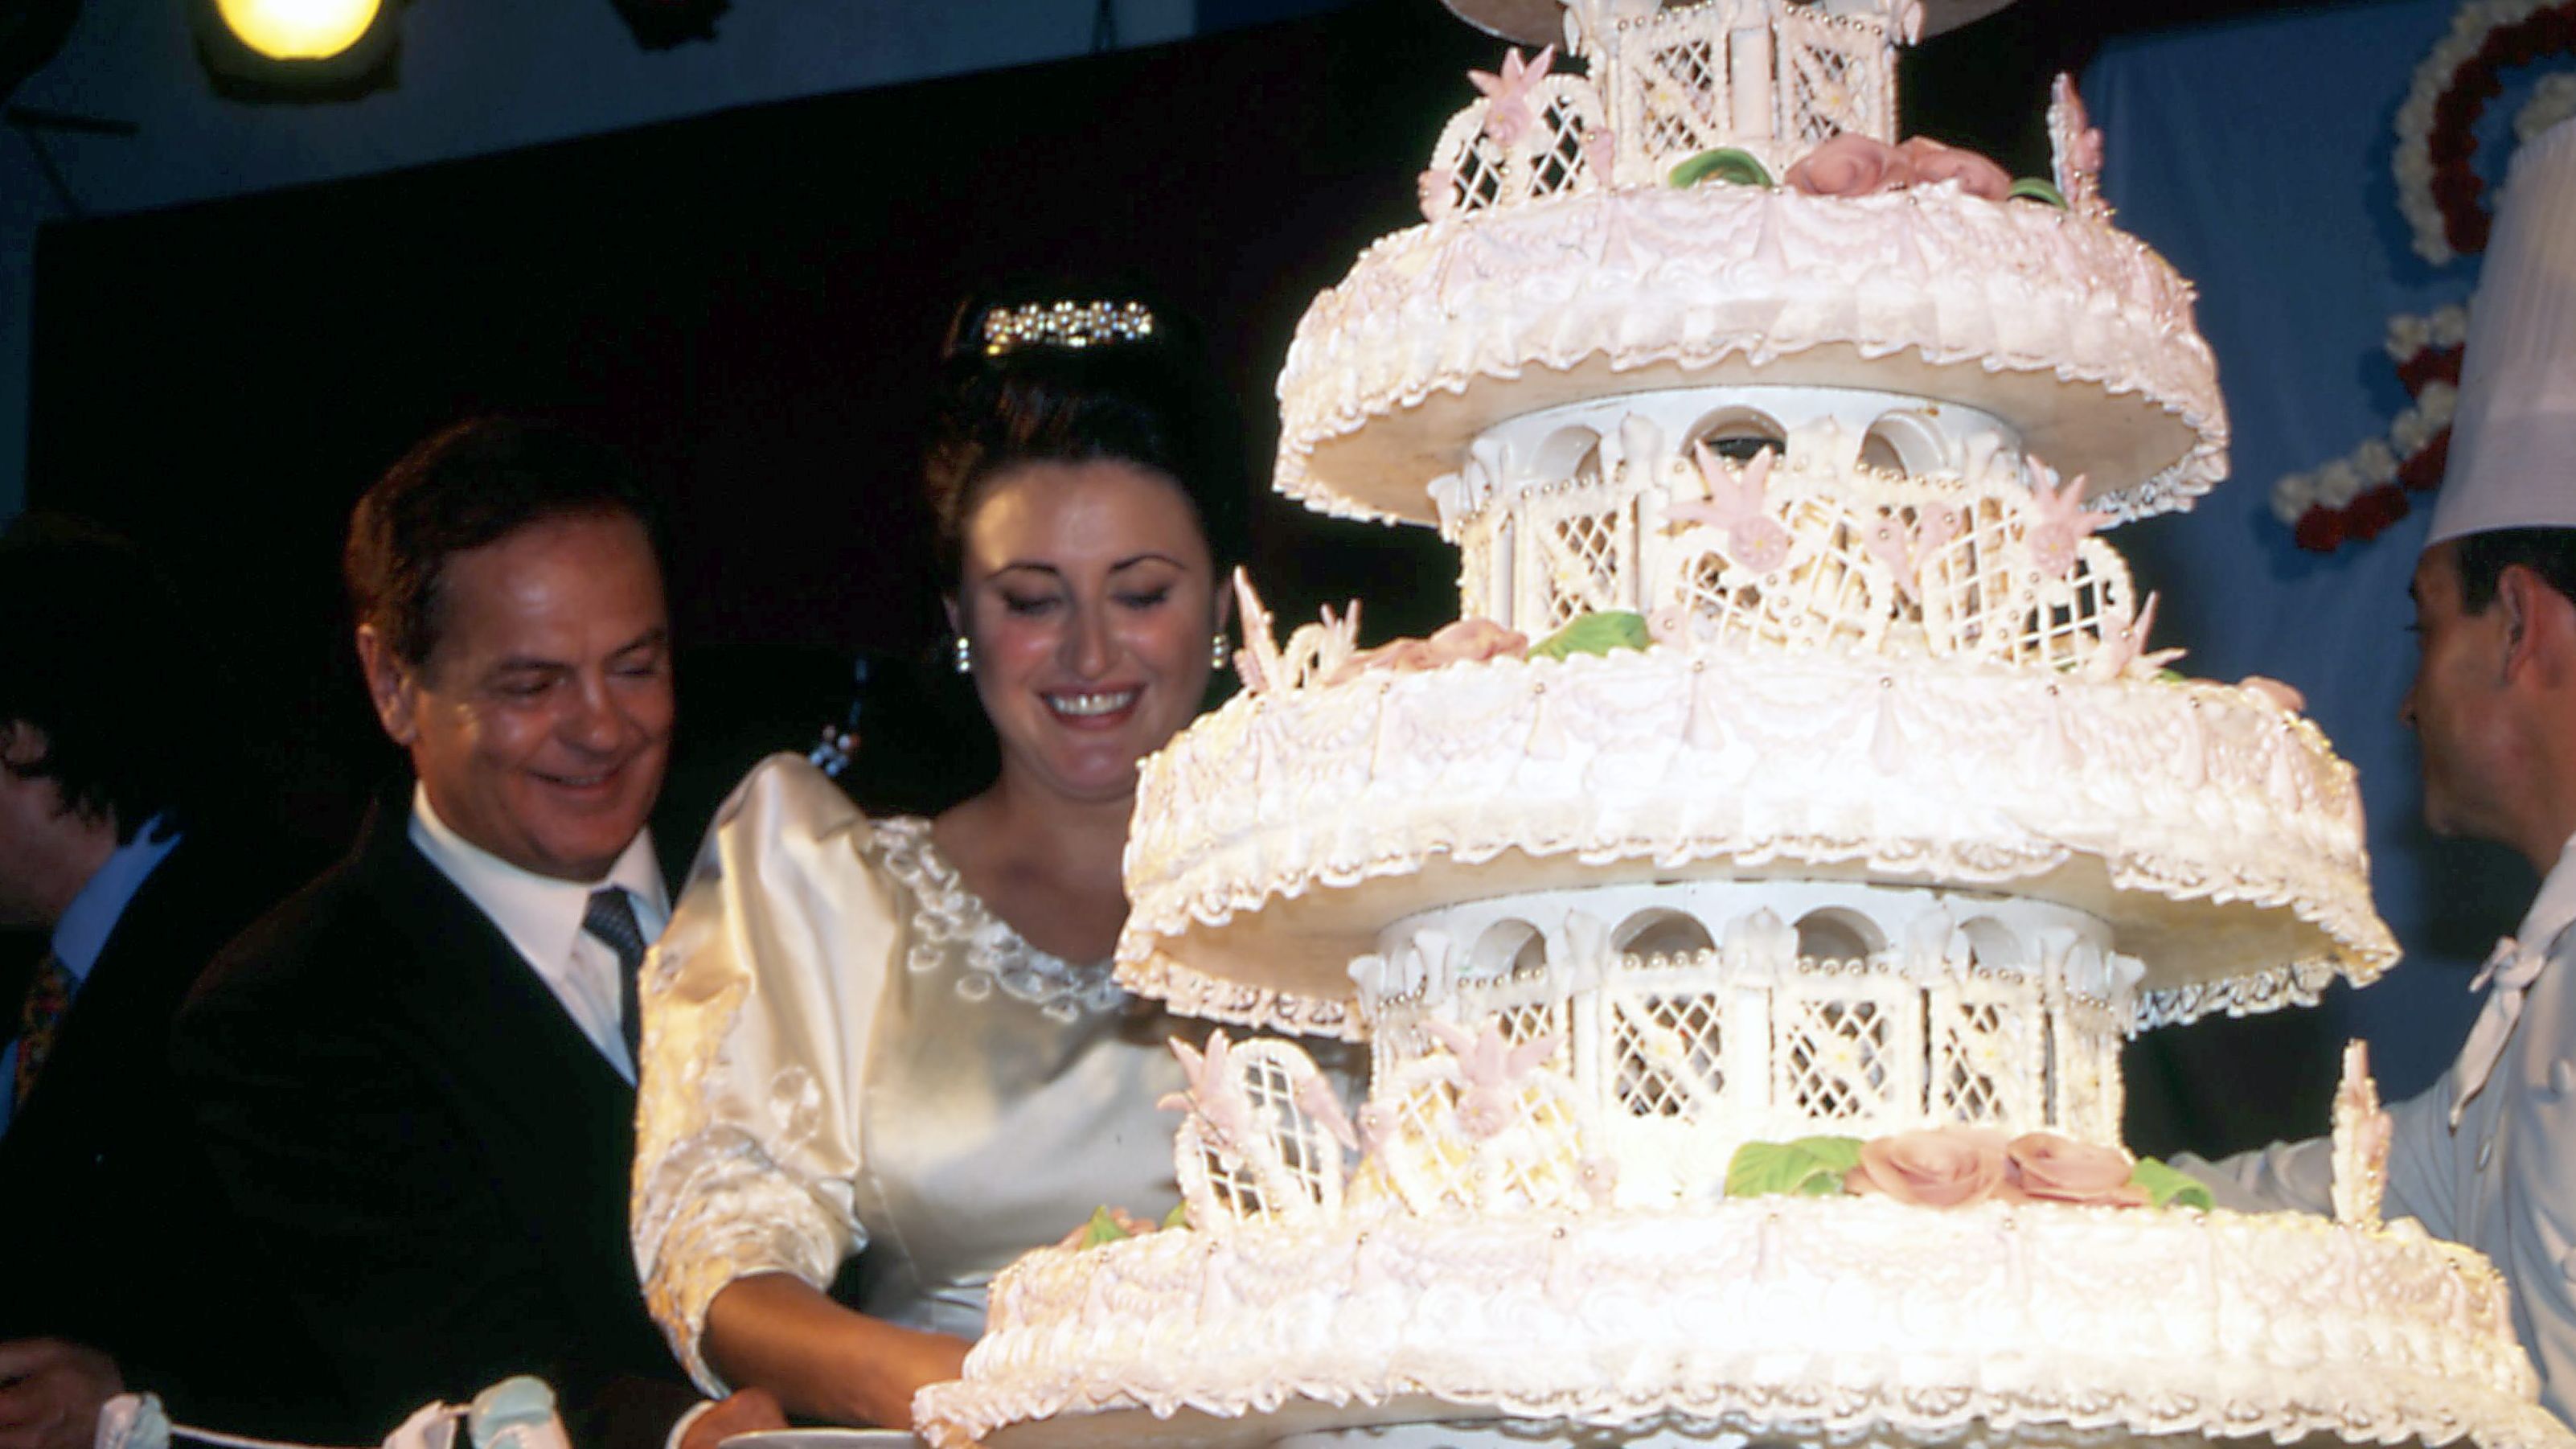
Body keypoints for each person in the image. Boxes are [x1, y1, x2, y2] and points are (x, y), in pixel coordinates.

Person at [630, 293, 1245, 1430]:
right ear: (960, 610)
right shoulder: (830, 888)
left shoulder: (1365, 874)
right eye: (1030, 600)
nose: (1091, 653)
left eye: (1142, 592)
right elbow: (720, 1260)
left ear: (1220, 600)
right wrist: (1011, 1399)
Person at [172, 419, 781, 1449]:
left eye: (635, 665)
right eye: (533, 684)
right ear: (392, 683)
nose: (603, 727)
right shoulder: (284, 1010)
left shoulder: (779, 861)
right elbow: (470, 1368)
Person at [2184, 117, 2576, 1423]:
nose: (2403, 699)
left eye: (2425, 629)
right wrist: (2077, 1199)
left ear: (2518, 624)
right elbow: (2362, 1192)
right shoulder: (2537, 991)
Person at [0, 516, 315, 1449]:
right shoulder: (55, 963)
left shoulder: (263, 959)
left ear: (16, 738)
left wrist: (136, 1388)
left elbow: (342, 1305)